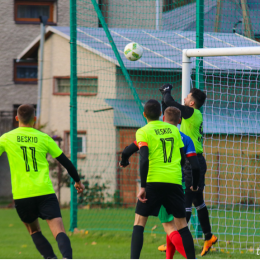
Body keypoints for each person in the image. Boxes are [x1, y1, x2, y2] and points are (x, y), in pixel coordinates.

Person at [0, 104, 85, 259]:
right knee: (59, 231)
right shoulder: (44, 138)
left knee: (34, 231)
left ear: (17, 118)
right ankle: (67, 257)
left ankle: (51, 258)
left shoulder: (6, 138)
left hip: (22, 194)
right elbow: (65, 162)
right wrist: (78, 181)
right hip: (44, 192)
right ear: (35, 119)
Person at [120, 106, 200, 259]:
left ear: (145, 115)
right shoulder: (175, 131)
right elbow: (183, 158)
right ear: (160, 115)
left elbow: (142, 159)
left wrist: (142, 186)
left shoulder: (145, 131)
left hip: (153, 183)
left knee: (139, 224)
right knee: (182, 226)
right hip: (175, 182)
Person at [159, 84, 218, 256]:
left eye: (187, 97)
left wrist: (167, 90)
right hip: (194, 161)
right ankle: (208, 237)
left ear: (191, 103)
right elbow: (170, 108)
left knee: (184, 203)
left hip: (192, 163)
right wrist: (165, 97)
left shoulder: (192, 113)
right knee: (198, 202)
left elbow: (171, 103)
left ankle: (174, 238)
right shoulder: (193, 114)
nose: (184, 99)